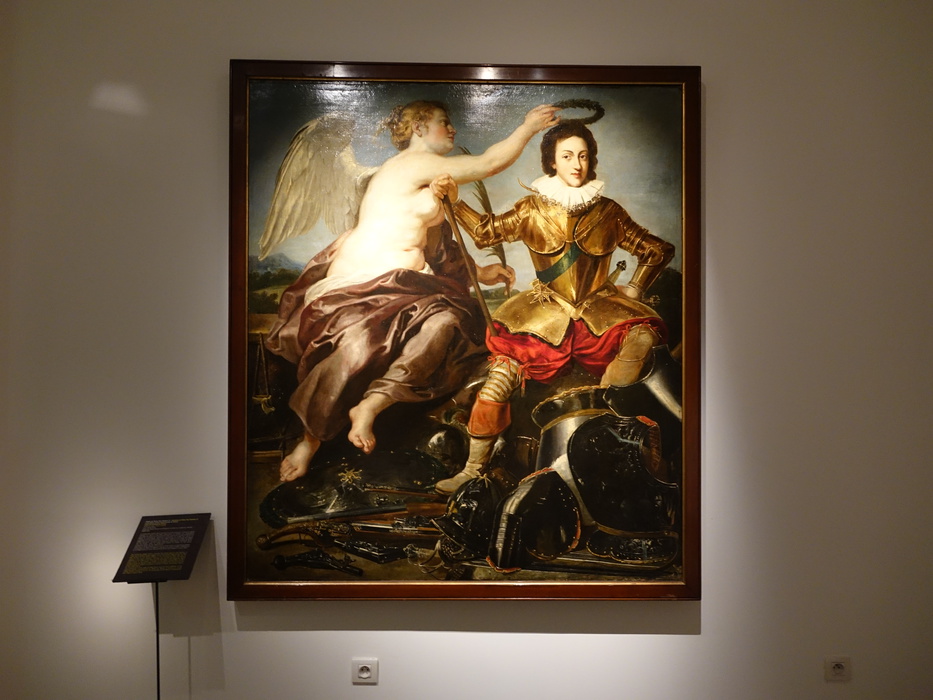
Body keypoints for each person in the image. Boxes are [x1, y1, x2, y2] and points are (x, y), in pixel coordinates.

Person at [264, 100, 559, 482]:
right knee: (359, 347)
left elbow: (436, 246)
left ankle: (371, 405)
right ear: (418, 128)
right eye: (443, 122)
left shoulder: (429, 179)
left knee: (446, 323)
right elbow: (490, 163)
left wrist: (481, 272)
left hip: (408, 287)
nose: (452, 129)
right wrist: (529, 126)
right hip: (364, 285)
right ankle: (309, 441)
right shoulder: (412, 164)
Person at [434, 119, 675, 495]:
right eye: (567, 156)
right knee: (499, 379)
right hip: (543, 313)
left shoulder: (608, 211)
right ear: (552, 162)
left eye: (583, 156)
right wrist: (454, 201)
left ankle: (614, 442)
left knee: (642, 339)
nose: (576, 164)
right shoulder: (531, 209)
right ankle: (472, 469)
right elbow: (485, 232)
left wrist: (635, 288)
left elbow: (657, 250)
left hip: (600, 311)